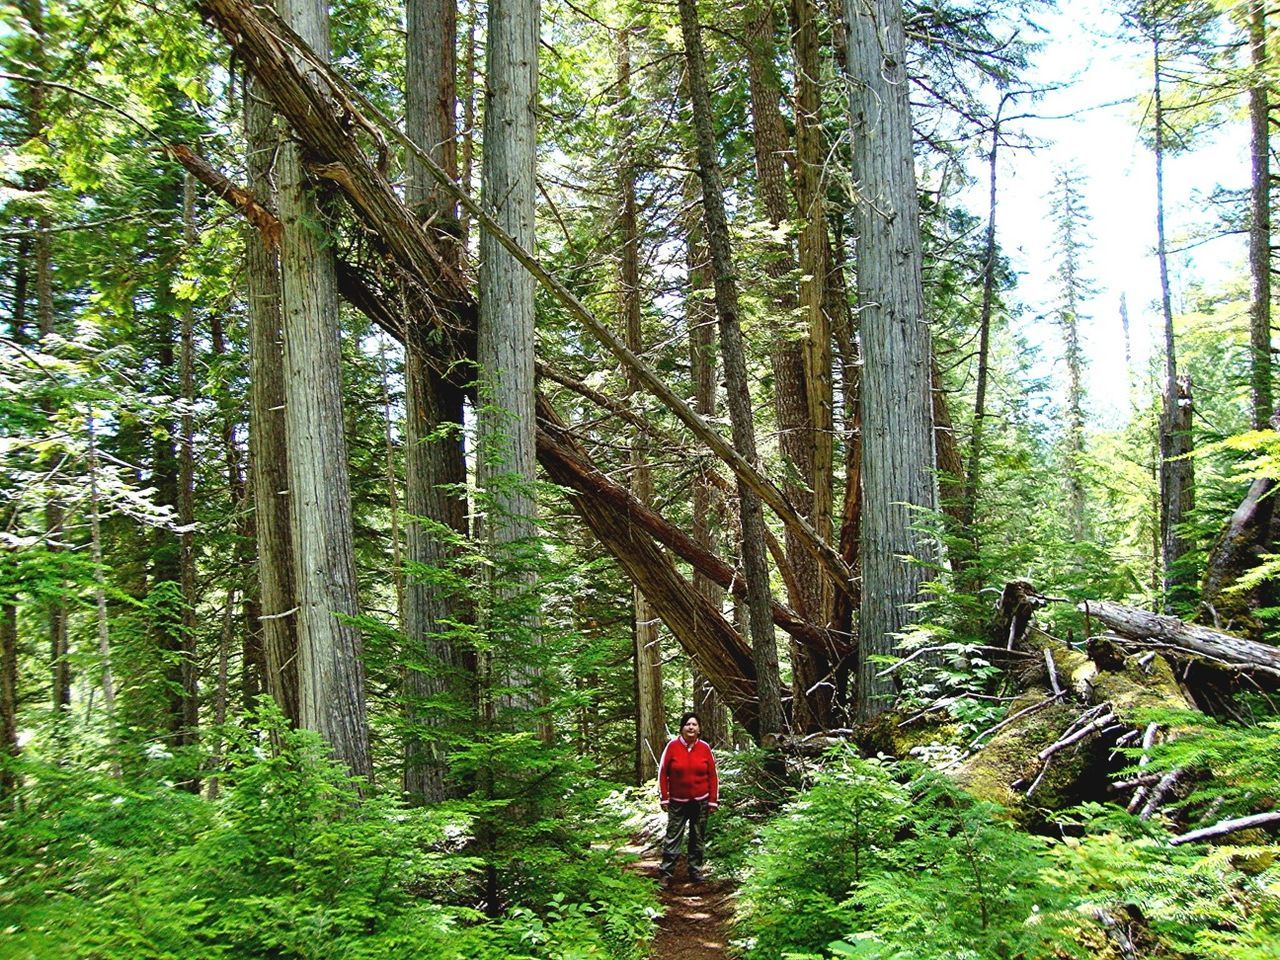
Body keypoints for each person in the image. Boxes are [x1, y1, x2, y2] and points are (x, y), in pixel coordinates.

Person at [657, 711, 718, 885]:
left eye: (694, 725)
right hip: (677, 801)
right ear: (682, 728)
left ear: (699, 729)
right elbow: (663, 773)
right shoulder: (672, 747)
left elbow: (713, 776)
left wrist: (713, 800)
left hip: (701, 801)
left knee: (697, 837)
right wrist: (664, 797)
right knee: (673, 837)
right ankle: (666, 873)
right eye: (687, 724)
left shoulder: (705, 748)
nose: (691, 727)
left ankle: (695, 872)